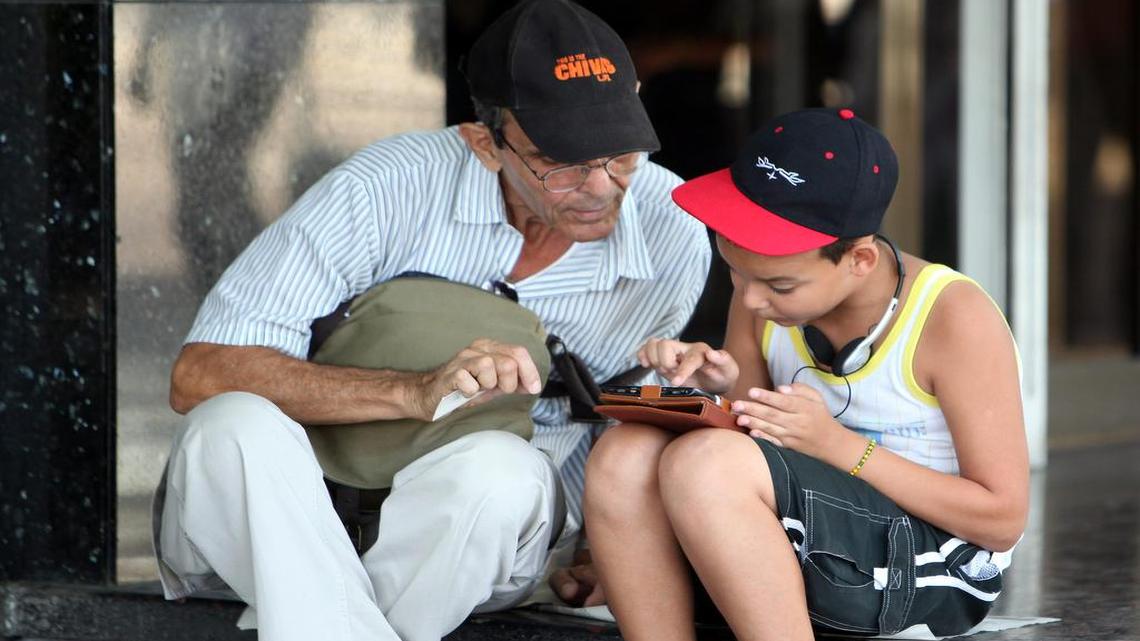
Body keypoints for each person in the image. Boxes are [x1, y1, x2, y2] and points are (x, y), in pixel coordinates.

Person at [150, 1, 710, 640]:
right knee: (229, 424)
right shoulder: (387, 186)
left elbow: (613, 419)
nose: (603, 187)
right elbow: (199, 375)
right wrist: (412, 391)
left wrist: (606, 548)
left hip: (482, 544)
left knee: (500, 473)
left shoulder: (673, 232)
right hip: (290, 520)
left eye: (622, 157)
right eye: (562, 166)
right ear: (485, 143)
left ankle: (315, 613)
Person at [584, 108, 1028, 640]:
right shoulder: (762, 295)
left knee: (707, 466)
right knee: (623, 453)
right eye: (735, 272)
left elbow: (1001, 520)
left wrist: (837, 445)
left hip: (937, 565)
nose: (749, 298)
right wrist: (717, 390)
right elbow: (752, 445)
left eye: (780, 285)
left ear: (860, 260)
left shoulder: (954, 318)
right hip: (811, 541)